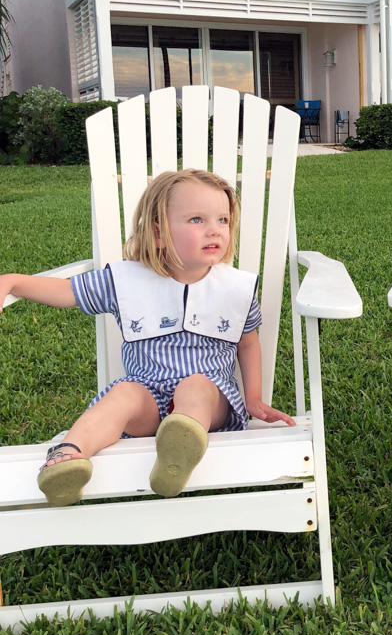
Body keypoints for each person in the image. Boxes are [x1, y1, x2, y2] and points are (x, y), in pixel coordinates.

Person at [0, 168, 294, 507]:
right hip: (148, 399)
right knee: (123, 393)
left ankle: (180, 445)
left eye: (223, 220)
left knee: (194, 385)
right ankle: (69, 457)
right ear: (158, 233)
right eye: (197, 219)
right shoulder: (126, 281)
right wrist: (13, 281)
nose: (215, 229)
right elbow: (67, 291)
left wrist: (254, 400)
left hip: (208, 403)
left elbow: (247, 342)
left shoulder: (234, 288)